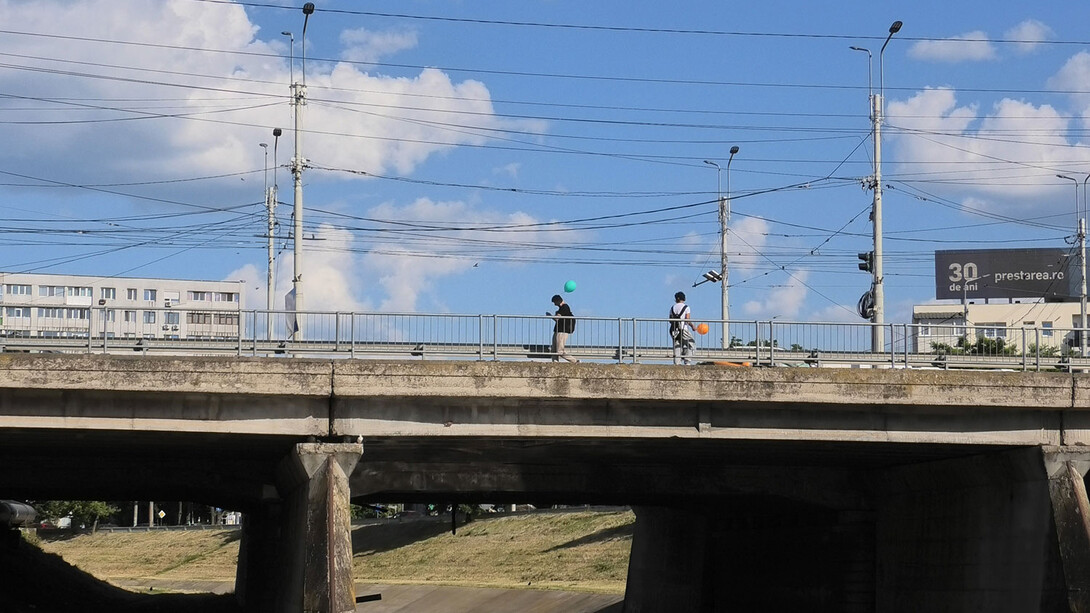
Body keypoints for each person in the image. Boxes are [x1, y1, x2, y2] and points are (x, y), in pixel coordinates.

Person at [548, 294, 579, 363]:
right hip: (558, 330)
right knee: (554, 349)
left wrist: (550, 316)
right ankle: (555, 362)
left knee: (559, 350)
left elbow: (557, 318)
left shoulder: (564, 307)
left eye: (555, 302)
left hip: (562, 331)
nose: (555, 304)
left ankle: (575, 361)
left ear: (558, 301)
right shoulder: (563, 308)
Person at [668, 291, 695, 365]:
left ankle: (677, 362)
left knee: (677, 345)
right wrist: (693, 326)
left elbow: (670, 320)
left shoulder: (672, 308)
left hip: (674, 330)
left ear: (676, 299)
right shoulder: (686, 307)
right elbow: (687, 319)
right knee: (691, 344)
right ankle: (687, 361)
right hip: (684, 329)